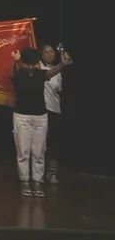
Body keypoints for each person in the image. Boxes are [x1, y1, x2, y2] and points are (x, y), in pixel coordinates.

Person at [11, 46, 70, 197]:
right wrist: (16, 61)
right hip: (22, 117)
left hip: (40, 117)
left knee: (38, 152)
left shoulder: (40, 74)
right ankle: (25, 181)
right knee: (24, 151)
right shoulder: (19, 73)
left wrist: (63, 63)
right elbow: (15, 70)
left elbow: (52, 71)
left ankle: (37, 182)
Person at [40, 43, 70, 184]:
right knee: (42, 143)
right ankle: (41, 172)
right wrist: (62, 64)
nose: (50, 54)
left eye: (52, 51)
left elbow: (60, 90)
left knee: (54, 142)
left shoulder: (59, 71)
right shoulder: (39, 67)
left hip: (55, 110)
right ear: (41, 55)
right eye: (46, 52)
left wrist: (65, 64)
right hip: (43, 110)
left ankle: (52, 173)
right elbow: (47, 74)